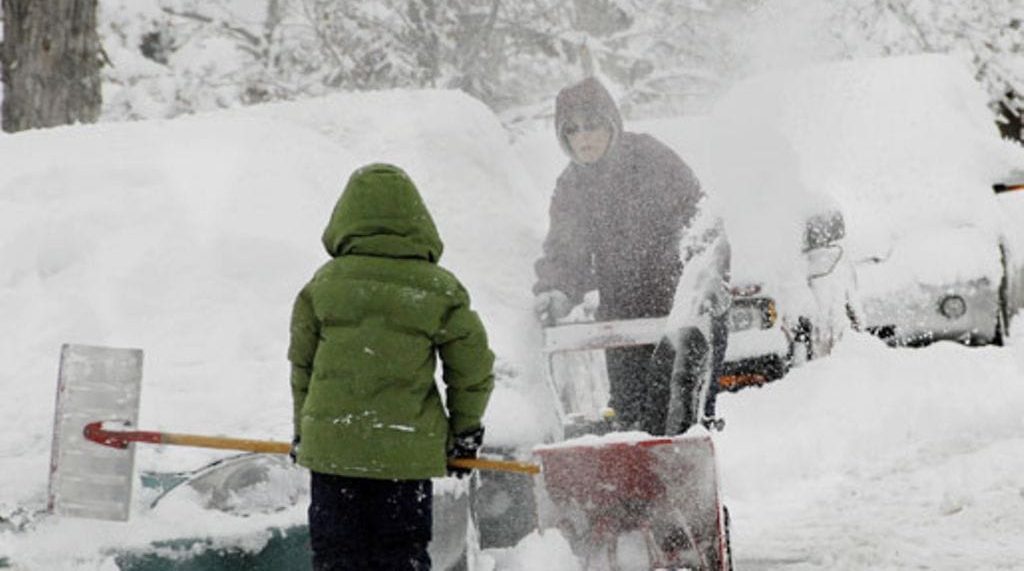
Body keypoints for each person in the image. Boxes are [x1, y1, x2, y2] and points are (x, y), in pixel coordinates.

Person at [288, 163, 495, 571]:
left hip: (334, 450)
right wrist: (465, 431)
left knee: (337, 558)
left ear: (345, 219)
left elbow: (303, 367)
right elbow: (471, 367)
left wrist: (303, 431)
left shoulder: (323, 285)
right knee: (400, 557)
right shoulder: (438, 288)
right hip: (404, 454)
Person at [533, 77, 728, 435]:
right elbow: (565, 250)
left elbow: (703, 220)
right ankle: (634, 486)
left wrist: (705, 276)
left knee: (680, 413)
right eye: (573, 130)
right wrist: (558, 291)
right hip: (622, 311)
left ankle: (689, 481)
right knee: (630, 417)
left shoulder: (652, 160)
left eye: (592, 126)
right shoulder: (571, 187)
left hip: (679, 301)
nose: (584, 138)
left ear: (611, 124)